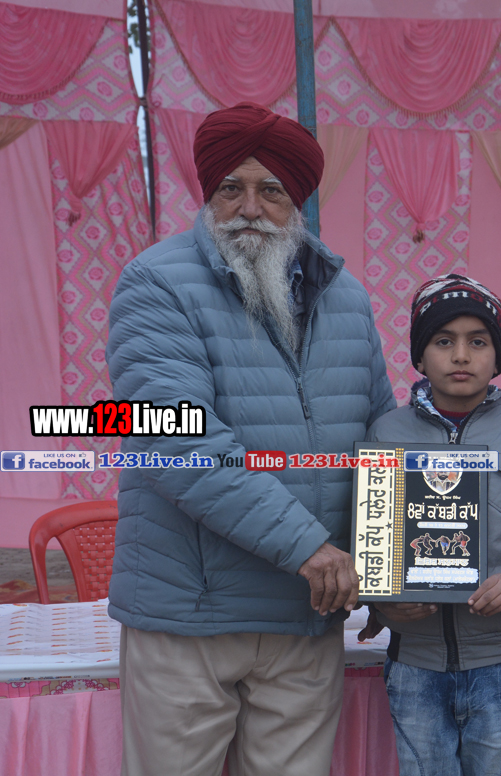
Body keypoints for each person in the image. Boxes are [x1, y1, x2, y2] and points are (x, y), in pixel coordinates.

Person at [106, 102, 396, 776]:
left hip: (305, 616)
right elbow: (175, 442)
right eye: (231, 188)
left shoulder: (346, 297)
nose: (249, 208)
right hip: (192, 619)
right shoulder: (156, 283)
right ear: (208, 193)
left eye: (272, 191)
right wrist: (308, 548)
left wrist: (385, 571)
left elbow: (382, 437)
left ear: (298, 202)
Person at [363, 274, 501, 776]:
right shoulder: (385, 434)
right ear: (420, 357)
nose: (461, 356)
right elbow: (369, 534)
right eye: (443, 342)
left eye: (478, 342)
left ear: (497, 357)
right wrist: (382, 597)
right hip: (413, 664)